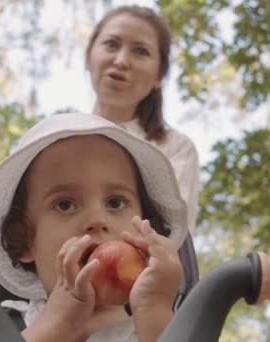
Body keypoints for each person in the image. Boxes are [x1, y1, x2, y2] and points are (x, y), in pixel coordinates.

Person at [0, 113, 189, 341]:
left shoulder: (157, 327)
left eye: (115, 202)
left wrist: (155, 313)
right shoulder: (6, 326)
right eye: (65, 205)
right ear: (26, 239)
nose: (97, 219)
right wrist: (55, 326)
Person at [85, 5, 200, 234]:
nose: (121, 60)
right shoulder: (51, 140)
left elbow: (172, 237)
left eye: (140, 51)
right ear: (88, 57)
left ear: (159, 76)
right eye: (111, 44)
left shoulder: (176, 150)